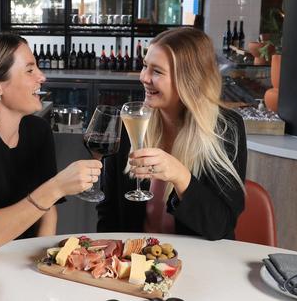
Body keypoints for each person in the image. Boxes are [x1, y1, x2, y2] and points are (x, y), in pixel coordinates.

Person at [0, 34, 102, 255]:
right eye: (30, 70)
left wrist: (43, 261)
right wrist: (57, 186)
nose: (41, 77)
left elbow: (48, 212)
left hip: (21, 262)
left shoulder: (38, 130)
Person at [97, 27, 247, 240]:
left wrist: (180, 176)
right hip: (135, 262)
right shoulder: (131, 121)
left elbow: (221, 225)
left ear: (189, 80)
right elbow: (108, 212)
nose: (144, 78)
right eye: (145, 66)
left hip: (199, 262)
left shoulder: (226, 128)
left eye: (157, 71)